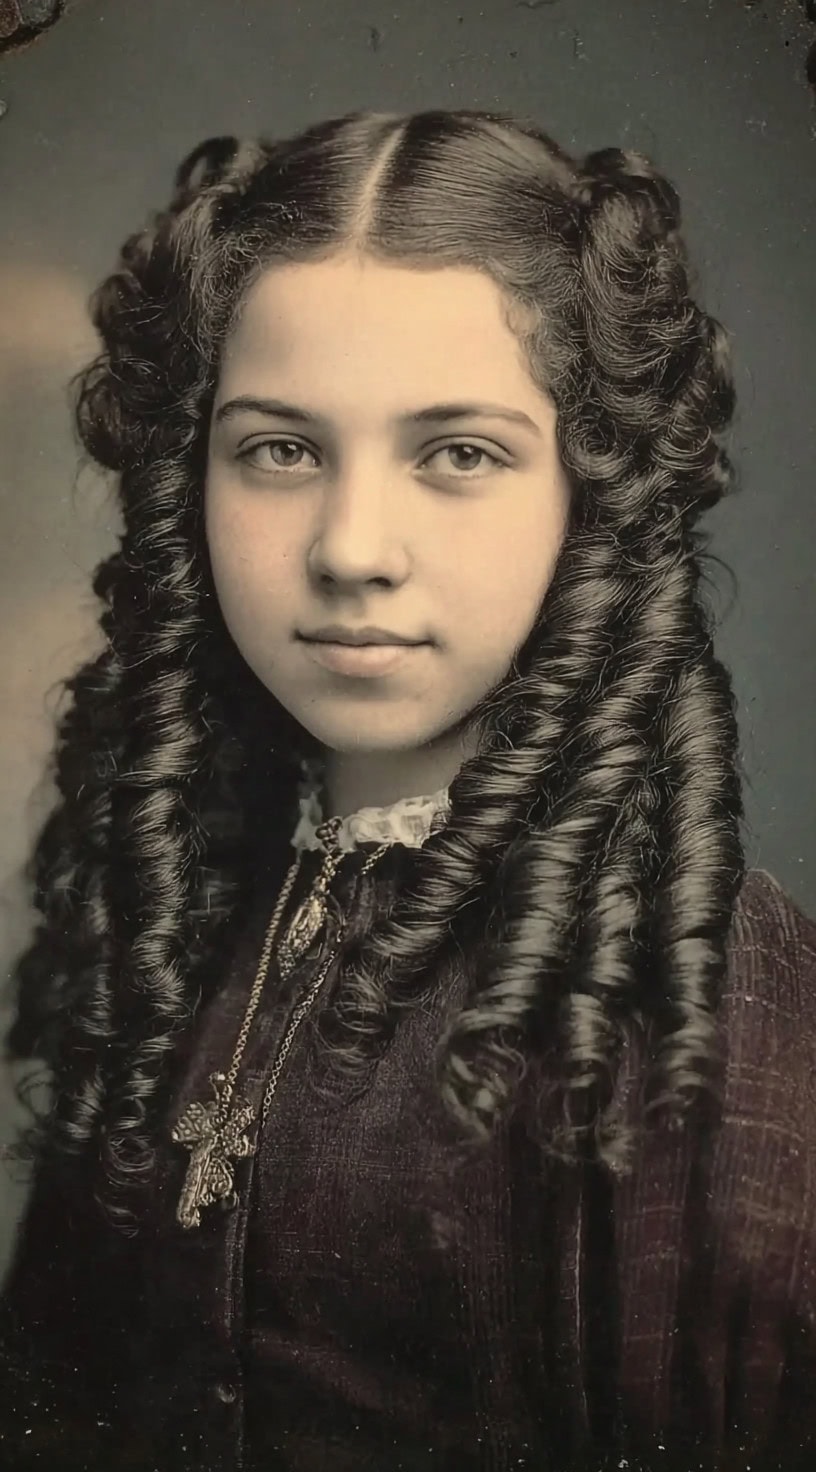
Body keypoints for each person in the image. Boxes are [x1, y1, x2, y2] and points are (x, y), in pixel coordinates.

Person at [0, 107, 814, 1472]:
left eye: (459, 454)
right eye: (280, 448)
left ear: (591, 492)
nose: (352, 548)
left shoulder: (699, 988)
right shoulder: (182, 909)